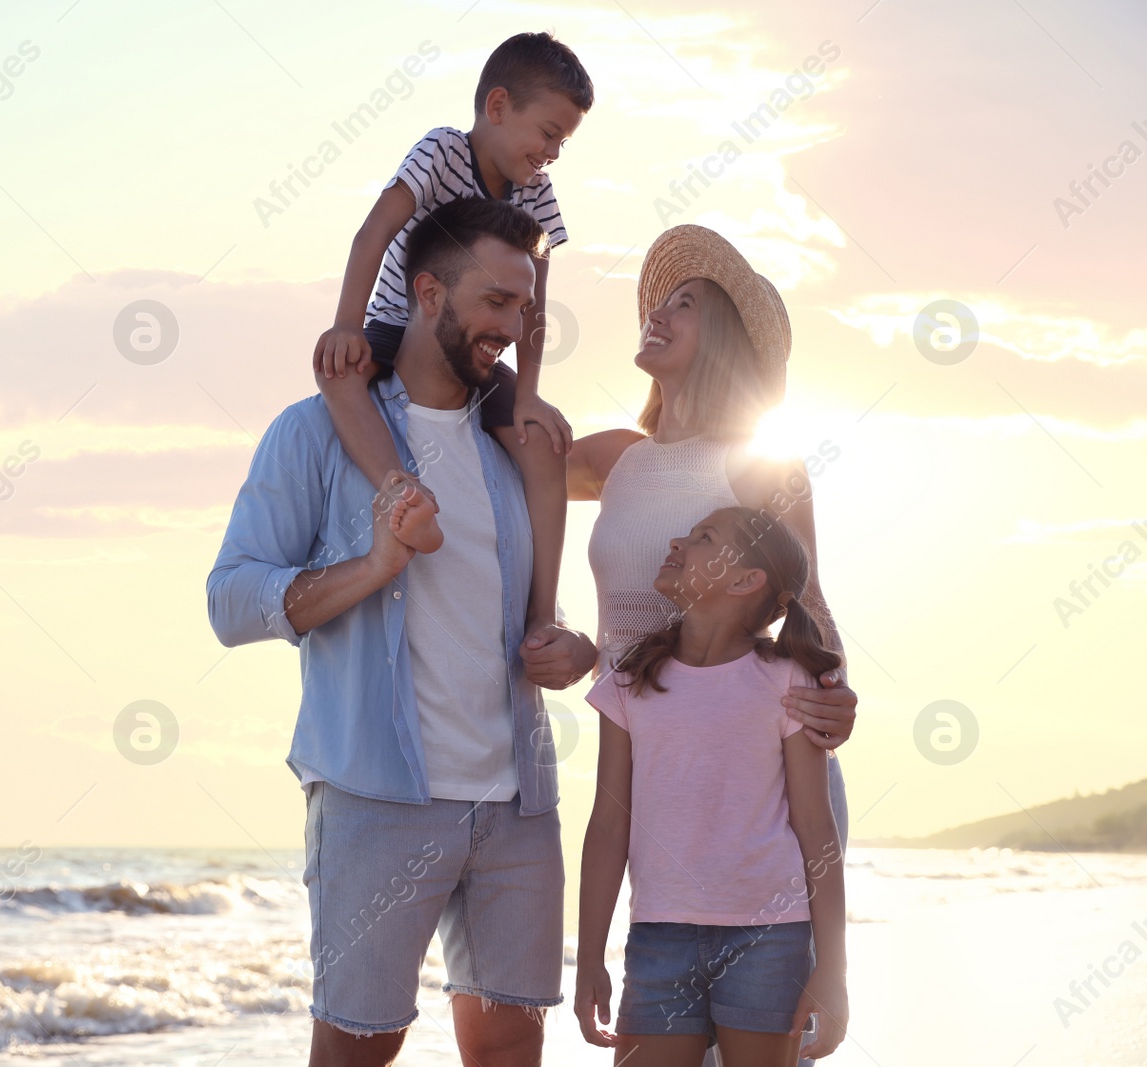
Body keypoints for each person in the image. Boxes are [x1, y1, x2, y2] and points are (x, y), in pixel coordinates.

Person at [207, 196, 600, 1067]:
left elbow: (517, 608)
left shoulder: (512, 446)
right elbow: (231, 600)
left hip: (518, 805)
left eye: (526, 308)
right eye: (496, 301)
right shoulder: (314, 431)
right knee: (359, 1049)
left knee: (508, 1049)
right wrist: (373, 566)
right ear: (428, 292)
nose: (514, 324)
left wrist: (572, 646)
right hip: (376, 801)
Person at [563, 224, 857, 1067]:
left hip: (756, 779)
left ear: (721, 335)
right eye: (661, 300)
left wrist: (834, 687)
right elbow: (522, 451)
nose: (659, 312)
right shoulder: (620, 458)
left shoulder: (764, 464)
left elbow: (807, 595)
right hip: (657, 774)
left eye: (685, 305)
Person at [312, 30, 594, 640]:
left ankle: (542, 614)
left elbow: (534, 305)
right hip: (398, 327)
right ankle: (402, 493)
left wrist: (528, 395)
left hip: (479, 354)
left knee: (545, 445)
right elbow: (374, 233)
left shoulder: (537, 195)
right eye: (548, 132)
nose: (553, 151)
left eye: (564, 141)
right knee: (338, 374)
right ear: (497, 107)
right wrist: (345, 325)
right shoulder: (441, 152)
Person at [574, 507, 849, 1065]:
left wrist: (833, 968)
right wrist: (588, 957)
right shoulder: (626, 682)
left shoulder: (789, 680)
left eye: (703, 537)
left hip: (771, 939)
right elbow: (608, 826)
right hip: (659, 936)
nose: (677, 539)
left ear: (747, 580)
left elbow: (817, 828)